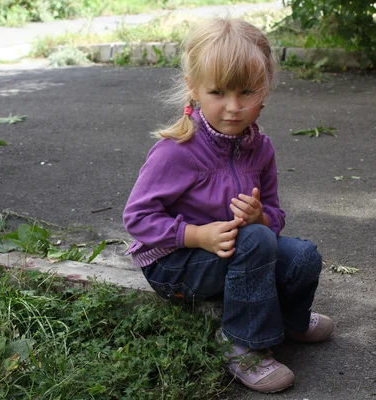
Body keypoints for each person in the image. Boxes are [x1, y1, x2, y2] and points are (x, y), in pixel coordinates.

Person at [123, 17, 333, 394]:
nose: (234, 107)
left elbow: (275, 215)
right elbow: (137, 219)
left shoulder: (260, 148)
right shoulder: (177, 151)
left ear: (265, 88)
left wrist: (262, 217)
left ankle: (289, 319)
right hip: (175, 265)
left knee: (302, 256)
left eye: (247, 92)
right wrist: (196, 234)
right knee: (255, 241)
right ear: (193, 88)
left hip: (240, 251)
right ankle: (243, 346)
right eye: (218, 92)